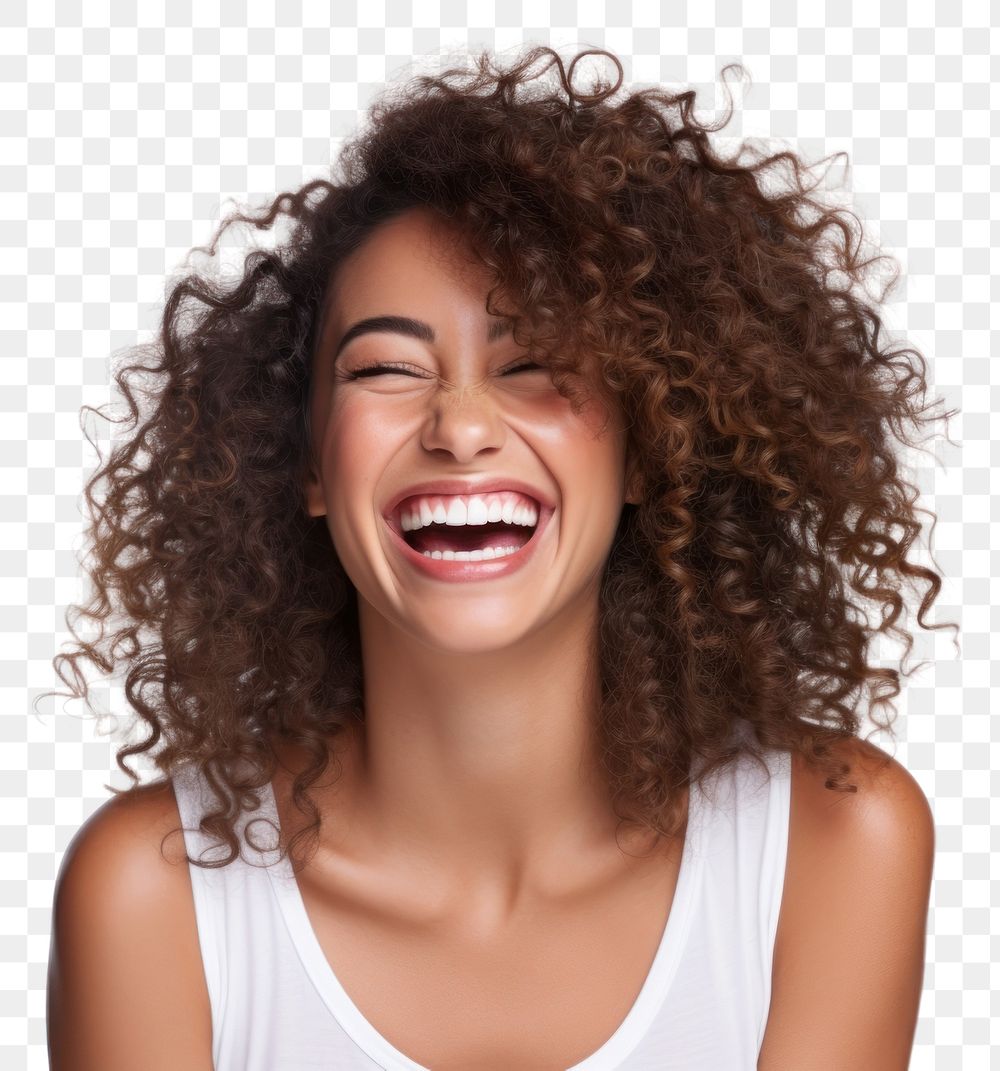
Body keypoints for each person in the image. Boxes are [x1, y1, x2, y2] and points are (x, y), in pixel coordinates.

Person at [44, 45, 943, 1070]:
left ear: (649, 445)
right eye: (386, 367)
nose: (461, 426)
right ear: (302, 463)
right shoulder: (157, 897)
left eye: (533, 367)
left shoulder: (829, 849)